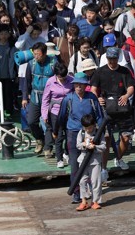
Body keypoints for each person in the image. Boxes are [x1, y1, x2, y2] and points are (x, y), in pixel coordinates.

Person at [57, 72, 104, 203]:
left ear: (85, 86)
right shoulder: (68, 98)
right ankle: (76, 192)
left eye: (81, 85)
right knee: (74, 164)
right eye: (76, 85)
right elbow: (61, 117)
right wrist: (60, 132)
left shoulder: (92, 99)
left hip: (89, 134)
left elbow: (99, 116)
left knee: (90, 162)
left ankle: (88, 190)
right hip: (73, 133)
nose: (79, 87)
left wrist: (100, 132)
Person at [91, 47, 135, 172]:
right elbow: (93, 89)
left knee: (126, 137)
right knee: (106, 139)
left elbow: (131, 87)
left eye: (114, 59)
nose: (112, 61)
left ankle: (119, 157)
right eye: (110, 59)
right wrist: (98, 98)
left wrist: (126, 96)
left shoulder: (124, 71)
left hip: (122, 107)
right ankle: (104, 168)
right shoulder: (99, 72)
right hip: (106, 108)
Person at [22, 42, 57, 153]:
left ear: (45, 53)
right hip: (35, 97)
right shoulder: (31, 64)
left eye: (38, 54)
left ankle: (48, 147)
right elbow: (26, 81)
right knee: (31, 121)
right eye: (34, 54)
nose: (36, 56)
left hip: (49, 98)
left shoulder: (53, 63)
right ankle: (39, 139)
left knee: (47, 123)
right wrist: (24, 97)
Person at [41, 63, 74, 164]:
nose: (63, 79)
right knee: (59, 135)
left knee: (70, 134)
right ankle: (59, 159)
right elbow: (45, 99)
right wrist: (45, 115)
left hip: (68, 110)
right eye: (60, 77)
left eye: (64, 76)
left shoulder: (71, 80)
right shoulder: (50, 81)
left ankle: (67, 153)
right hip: (55, 111)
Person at [75, 114, 107, 211]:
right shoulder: (81, 133)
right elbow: (78, 145)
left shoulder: (99, 133)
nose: (88, 130)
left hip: (95, 161)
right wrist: (84, 145)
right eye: (86, 128)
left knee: (95, 181)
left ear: (94, 125)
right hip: (83, 160)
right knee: (82, 181)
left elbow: (104, 147)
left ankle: (95, 201)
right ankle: (84, 201)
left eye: (90, 127)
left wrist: (95, 147)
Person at [0, 24, 17, 116]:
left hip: (9, 75)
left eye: (6, 33)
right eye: (1, 34)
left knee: (8, 93)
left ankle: (9, 109)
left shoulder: (12, 46)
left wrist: (15, 74)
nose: (4, 36)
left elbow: (15, 61)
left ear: (9, 35)